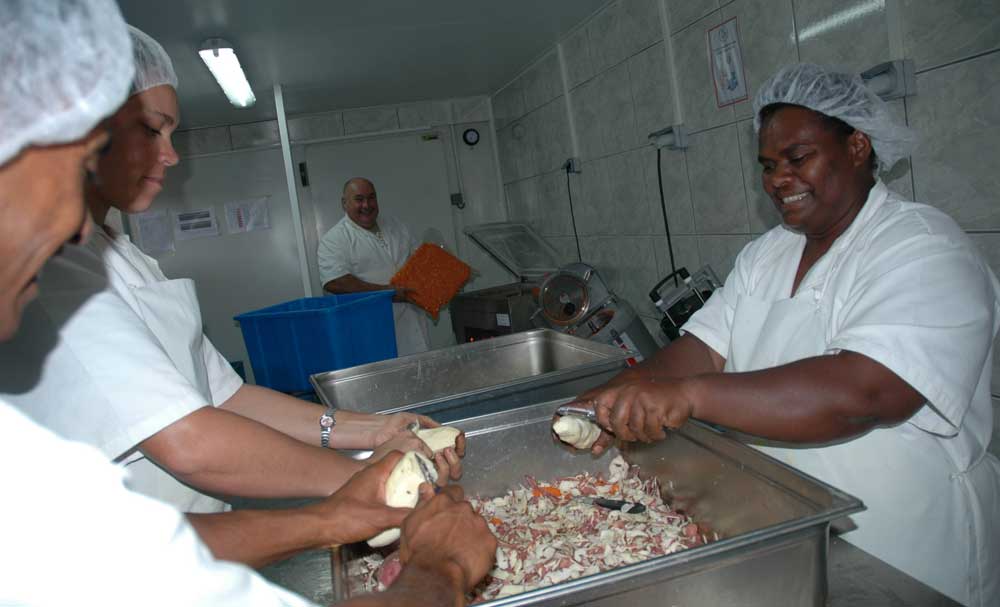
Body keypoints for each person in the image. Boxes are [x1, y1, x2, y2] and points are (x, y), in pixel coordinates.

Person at [0, 2, 497, 606]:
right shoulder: (59, 268)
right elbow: (188, 442)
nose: (172, 155)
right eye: (151, 130)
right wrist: (370, 483)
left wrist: (374, 431)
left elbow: (227, 396)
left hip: (190, 549)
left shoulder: (124, 256)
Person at [567, 63, 1000, 607]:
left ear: (858, 146)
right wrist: (612, 396)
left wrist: (688, 396)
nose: (777, 179)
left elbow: (865, 392)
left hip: (906, 548)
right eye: (769, 165)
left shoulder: (923, 247)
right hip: (795, 528)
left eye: (798, 158)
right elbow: (702, 349)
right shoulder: (768, 254)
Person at [318, 177, 431, 356]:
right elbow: (335, 282)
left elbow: (420, 259)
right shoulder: (334, 239)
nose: (366, 205)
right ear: (344, 203)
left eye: (371, 198)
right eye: (359, 199)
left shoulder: (395, 225)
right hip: (373, 332)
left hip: (413, 326)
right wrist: (388, 293)